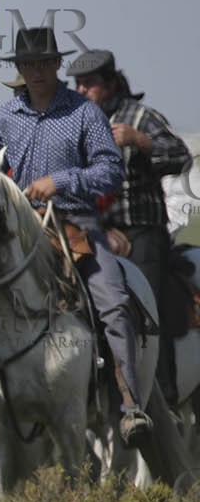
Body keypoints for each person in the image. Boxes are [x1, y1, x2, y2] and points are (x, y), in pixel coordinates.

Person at [0, 27, 148, 445]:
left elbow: (110, 171)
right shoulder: (7, 117)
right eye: (26, 64)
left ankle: (129, 405)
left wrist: (60, 181)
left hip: (74, 225)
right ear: (20, 69)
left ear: (55, 64)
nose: (35, 71)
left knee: (113, 301)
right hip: (19, 229)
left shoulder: (84, 112)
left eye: (42, 63)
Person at [69, 47, 192, 404]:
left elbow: (181, 155)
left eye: (89, 83)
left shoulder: (139, 117)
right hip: (92, 232)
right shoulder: (79, 122)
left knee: (149, 308)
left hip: (141, 231)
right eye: (77, 84)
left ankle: (165, 395)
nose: (81, 91)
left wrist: (141, 142)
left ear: (109, 84)